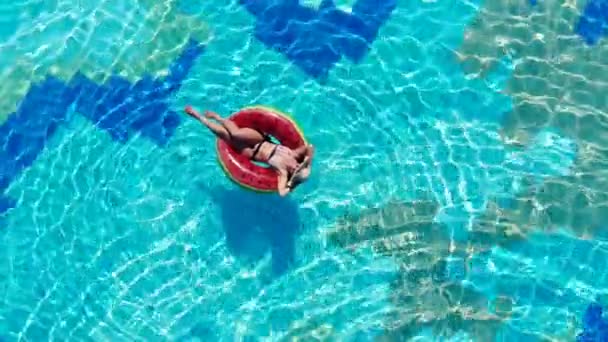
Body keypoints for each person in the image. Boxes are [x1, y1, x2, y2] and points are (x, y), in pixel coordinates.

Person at [185, 106, 314, 196]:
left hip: (251, 152)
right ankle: (218, 117)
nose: (296, 165)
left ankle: (198, 116)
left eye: (297, 168)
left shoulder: (283, 172)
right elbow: (310, 147)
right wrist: (308, 162)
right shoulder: (294, 154)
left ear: (293, 172)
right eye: (299, 165)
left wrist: (293, 183)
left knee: (223, 135)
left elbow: (282, 193)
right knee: (235, 134)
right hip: (259, 140)